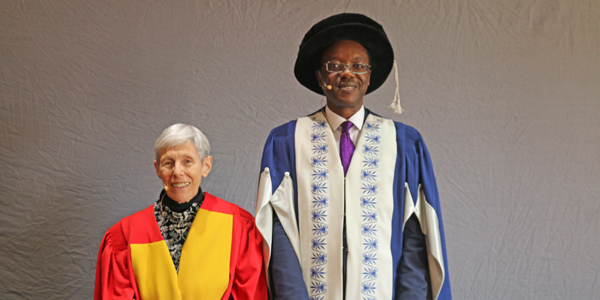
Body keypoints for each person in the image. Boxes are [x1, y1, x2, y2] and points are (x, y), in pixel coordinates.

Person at [255, 13, 452, 300]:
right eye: (334, 65)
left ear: (369, 76)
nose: (347, 73)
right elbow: (278, 232)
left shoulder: (403, 144)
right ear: (320, 77)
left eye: (358, 65)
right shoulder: (287, 141)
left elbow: (415, 239)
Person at [95, 124, 267, 300]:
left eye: (188, 161)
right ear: (157, 169)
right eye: (168, 163)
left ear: (206, 166)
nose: (177, 172)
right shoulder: (123, 237)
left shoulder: (239, 227)